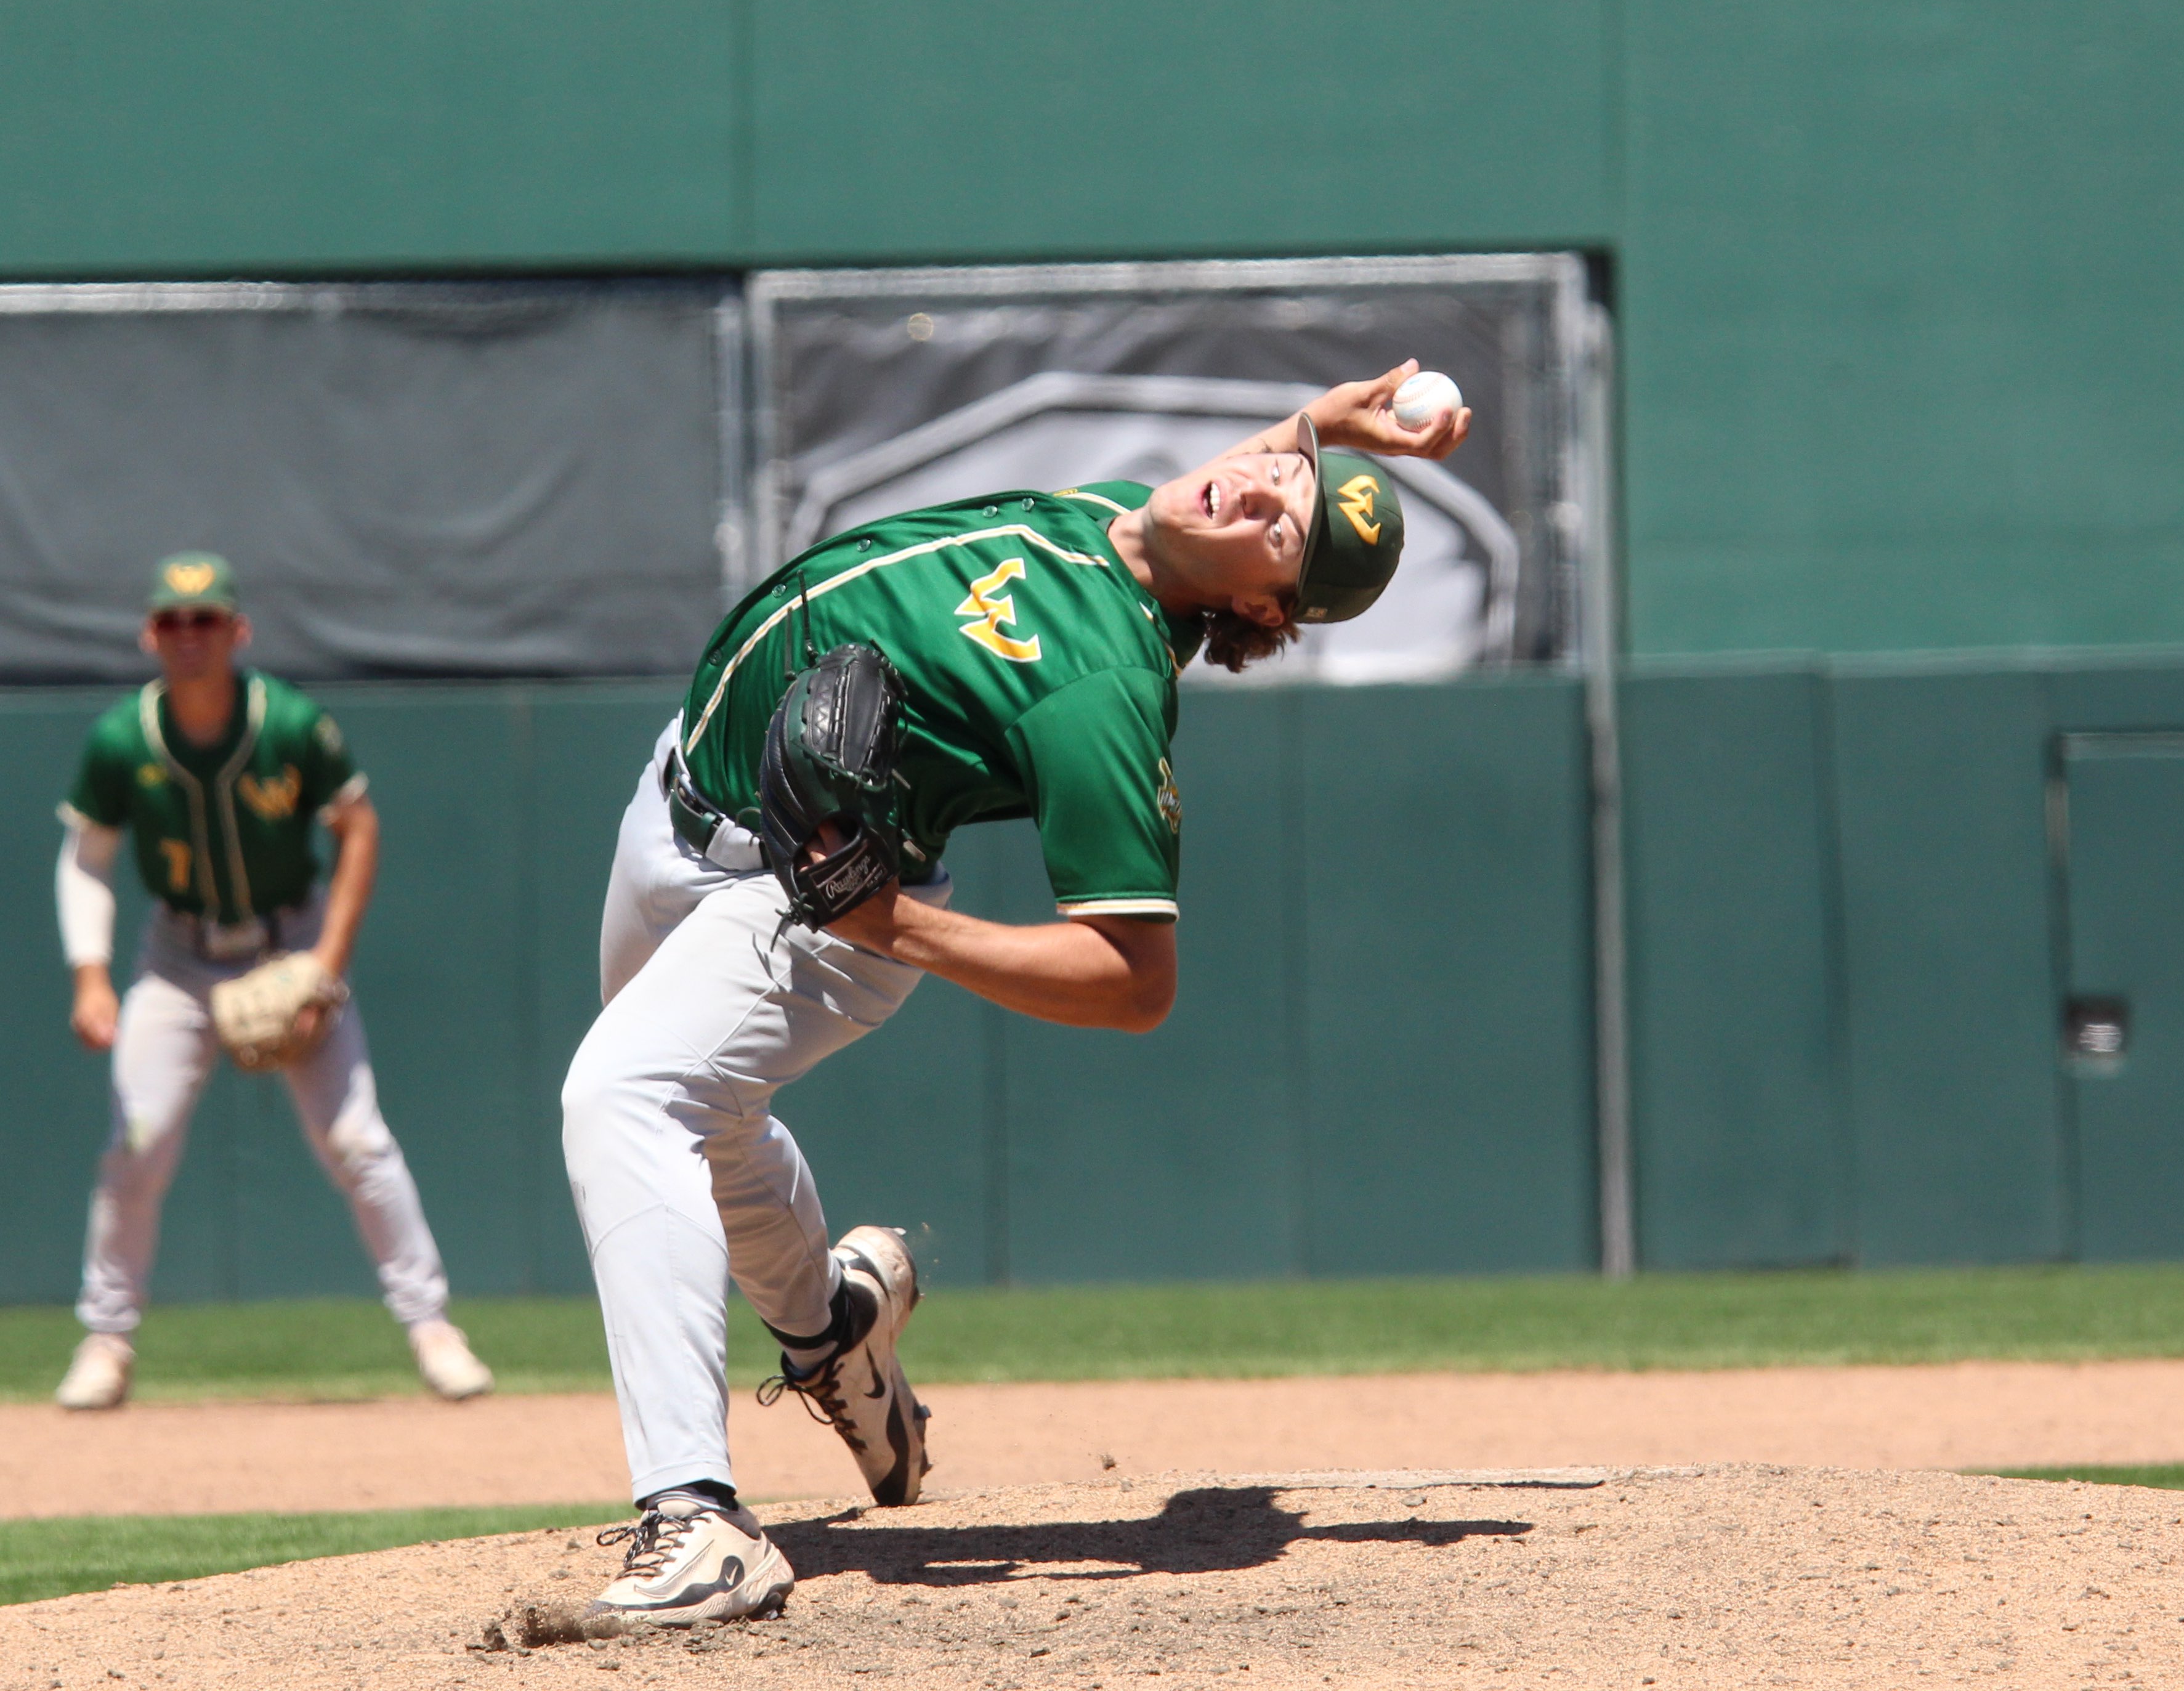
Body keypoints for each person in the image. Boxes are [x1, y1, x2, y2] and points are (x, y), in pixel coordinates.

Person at [563, 363, 1469, 1627]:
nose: (1259, 485)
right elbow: (1237, 493)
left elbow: (1133, 981)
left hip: (816, 897)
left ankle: (700, 1523)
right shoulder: (1148, 520)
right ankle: (840, 1333)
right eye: (1279, 475)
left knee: (626, 1097)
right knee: (704, 1129)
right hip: (680, 808)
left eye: (1282, 524)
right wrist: (1322, 427)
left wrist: (899, 920)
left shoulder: (1101, 687)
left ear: (1260, 602)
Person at [52, 554, 494, 1411]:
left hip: (288, 940)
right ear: (151, 633)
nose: (190, 636)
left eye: (206, 619)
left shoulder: (288, 722)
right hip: (177, 958)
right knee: (134, 1147)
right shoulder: (120, 739)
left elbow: (357, 829)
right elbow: (89, 856)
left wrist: (325, 968)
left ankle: (433, 1327)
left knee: (357, 1142)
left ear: (237, 630)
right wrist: (90, 977)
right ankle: (107, 1340)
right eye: (174, 622)